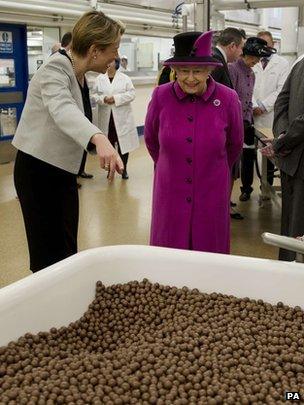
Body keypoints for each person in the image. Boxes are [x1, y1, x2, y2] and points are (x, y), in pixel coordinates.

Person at [13, 11, 125, 272]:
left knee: (64, 246)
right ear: (95, 50)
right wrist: (100, 137)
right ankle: (48, 305)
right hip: (38, 171)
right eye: (114, 49)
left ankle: (63, 296)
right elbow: (62, 108)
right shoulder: (56, 66)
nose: (116, 57)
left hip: (60, 170)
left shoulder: (80, 73)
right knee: (47, 251)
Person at [144, 31, 243, 254]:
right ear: (174, 71)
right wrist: (168, 165)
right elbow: (151, 140)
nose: (190, 78)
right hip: (170, 189)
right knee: (168, 251)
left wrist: (213, 169)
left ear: (209, 71)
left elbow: (235, 144)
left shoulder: (228, 98)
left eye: (197, 71)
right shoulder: (161, 96)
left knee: (210, 251)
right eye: (183, 71)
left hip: (212, 188)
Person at [261, 58, 304, 261]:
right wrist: (283, 141)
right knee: (298, 234)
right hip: (298, 159)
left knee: (290, 230)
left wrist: (282, 138)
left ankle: (287, 278)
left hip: (291, 159)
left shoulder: (298, 62)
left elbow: (281, 102)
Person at [228, 37, 276, 202]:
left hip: (247, 123)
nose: (257, 62)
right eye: (255, 58)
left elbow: (248, 100)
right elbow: (230, 99)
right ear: (247, 54)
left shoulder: (251, 73)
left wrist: (247, 120)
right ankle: (228, 199)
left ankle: (227, 199)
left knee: (241, 159)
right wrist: (237, 122)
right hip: (233, 124)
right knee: (232, 162)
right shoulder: (232, 69)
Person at [211, 27, 246, 219]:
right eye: (241, 47)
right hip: (217, 132)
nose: (241, 53)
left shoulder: (219, 59)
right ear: (232, 46)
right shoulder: (216, 61)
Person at [92, 58, 139, 179]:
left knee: (124, 146)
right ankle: (110, 170)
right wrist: (103, 99)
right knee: (109, 145)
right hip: (107, 118)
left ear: (116, 63)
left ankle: (124, 169)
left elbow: (132, 94)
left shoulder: (125, 78)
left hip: (121, 118)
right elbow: (94, 94)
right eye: (107, 61)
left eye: (111, 61)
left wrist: (116, 98)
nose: (108, 63)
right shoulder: (99, 78)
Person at [253, 31, 289, 186]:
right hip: (252, 113)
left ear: (273, 44)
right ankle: (246, 188)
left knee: (269, 152)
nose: (264, 48)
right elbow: (246, 87)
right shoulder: (251, 60)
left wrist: (263, 106)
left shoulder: (282, 63)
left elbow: (281, 90)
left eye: (267, 44)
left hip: (270, 115)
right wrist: (253, 105)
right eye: (260, 44)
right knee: (248, 153)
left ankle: (265, 185)